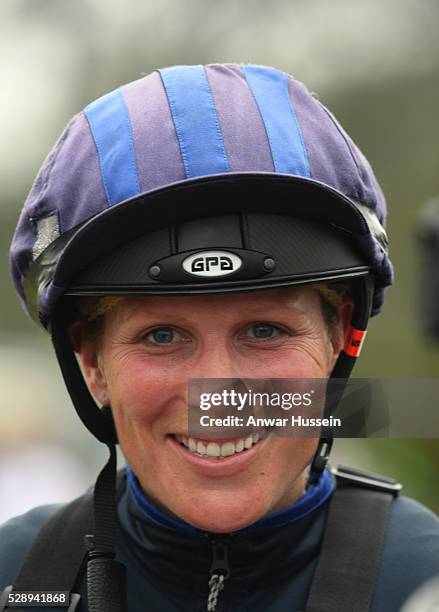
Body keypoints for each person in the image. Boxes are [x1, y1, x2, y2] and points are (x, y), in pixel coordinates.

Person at [1, 63, 439, 612]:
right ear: (91, 362)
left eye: (264, 330)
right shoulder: (14, 578)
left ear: (339, 337)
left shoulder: (425, 582)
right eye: (162, 336)